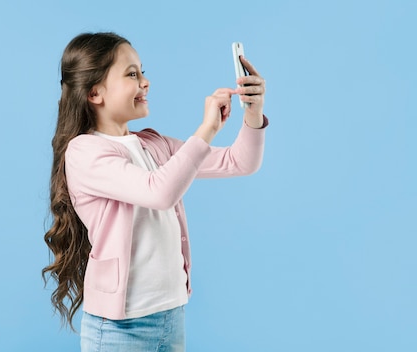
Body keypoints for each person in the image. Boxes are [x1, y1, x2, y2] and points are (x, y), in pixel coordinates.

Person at [42, 32, 268, 352]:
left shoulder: (153, 144)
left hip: (170, 315)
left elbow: (239, 162)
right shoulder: (84, 152)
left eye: (143, 71)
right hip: (122, 328)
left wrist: (253, 113)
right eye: (132, 73)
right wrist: (206, 131)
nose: (145, 82)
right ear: (95, 92)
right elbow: (160, 191)